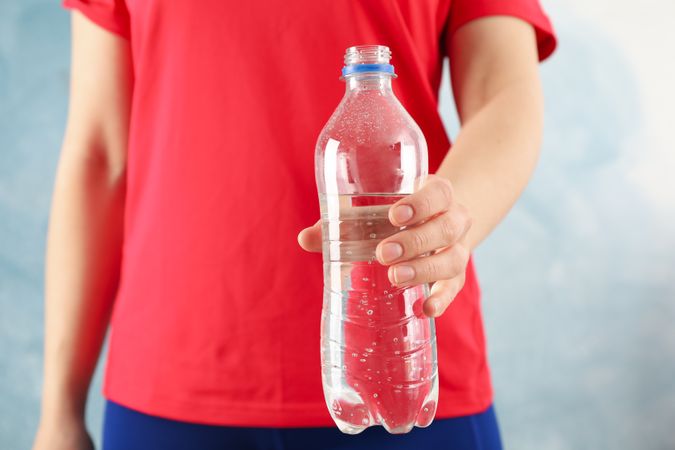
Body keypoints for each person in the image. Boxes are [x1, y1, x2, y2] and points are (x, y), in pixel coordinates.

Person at [32, 1, 556, 449]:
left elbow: (503, 95)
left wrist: (446, 220)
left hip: (404, 360)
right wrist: (58, 410)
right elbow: (99, 153)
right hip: (171, 377)